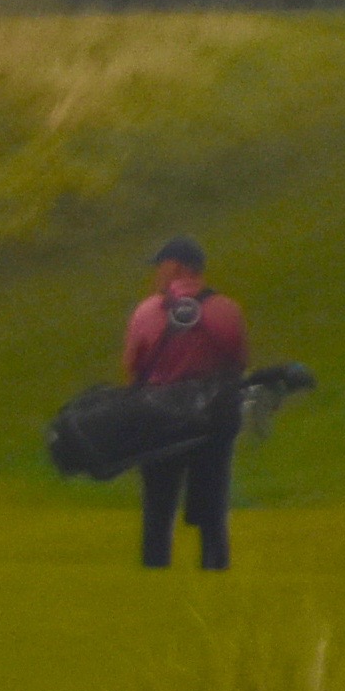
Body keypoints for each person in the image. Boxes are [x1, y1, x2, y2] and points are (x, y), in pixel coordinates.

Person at [120, 236, 251, 571]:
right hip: (212, 418)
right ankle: (214, 571)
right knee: (212, 507)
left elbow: (132, 365)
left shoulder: (148, 311)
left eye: (161, 266)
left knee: (158, 508)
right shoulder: (226, 309)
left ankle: (155, 576)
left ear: (177, 266)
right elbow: (238, 361)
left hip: (160, 418)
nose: (156, 274)